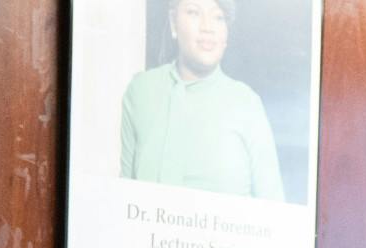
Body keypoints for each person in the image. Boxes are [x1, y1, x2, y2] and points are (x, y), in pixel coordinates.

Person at [120, 0, 284, 201]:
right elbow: (123, 199)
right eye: (194, 13)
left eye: (218, 17)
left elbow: (273, 207)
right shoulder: (140, 90)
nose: (207, 27)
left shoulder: (248, 104)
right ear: (173, 22)